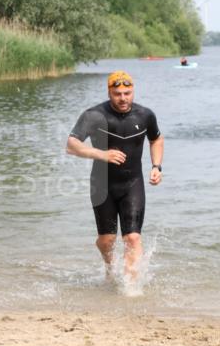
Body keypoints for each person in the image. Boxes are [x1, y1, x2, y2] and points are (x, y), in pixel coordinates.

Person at [66, 71, 164, 284]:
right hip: (102, 185)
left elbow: (156, 139)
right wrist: (102, 154)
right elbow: (71, 145)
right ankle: (110, 269)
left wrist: (157, 166)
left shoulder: (145, 115)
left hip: (133, 183)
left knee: (132, 237)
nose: (123, 98)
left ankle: (130, 288)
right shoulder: (94, 115)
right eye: (117, 93)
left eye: (127, 93)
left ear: (133, 91)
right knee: (107, 240)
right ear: (109, 92)